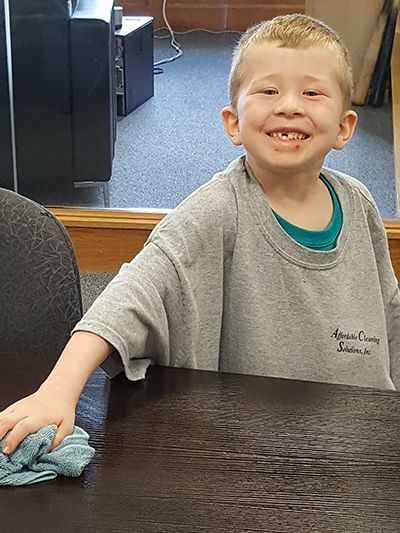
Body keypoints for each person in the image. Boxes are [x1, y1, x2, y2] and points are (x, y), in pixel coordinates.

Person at [1, 14, 400, 455]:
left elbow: (389, 314)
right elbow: (132, 294)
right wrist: (57, 390)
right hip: (261, 449)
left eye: (311, 92)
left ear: (344, 128)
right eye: (268, 91)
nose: (289, 105)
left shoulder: (360, 203)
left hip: (364, 435)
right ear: (233, 123)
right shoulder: (217, 209)